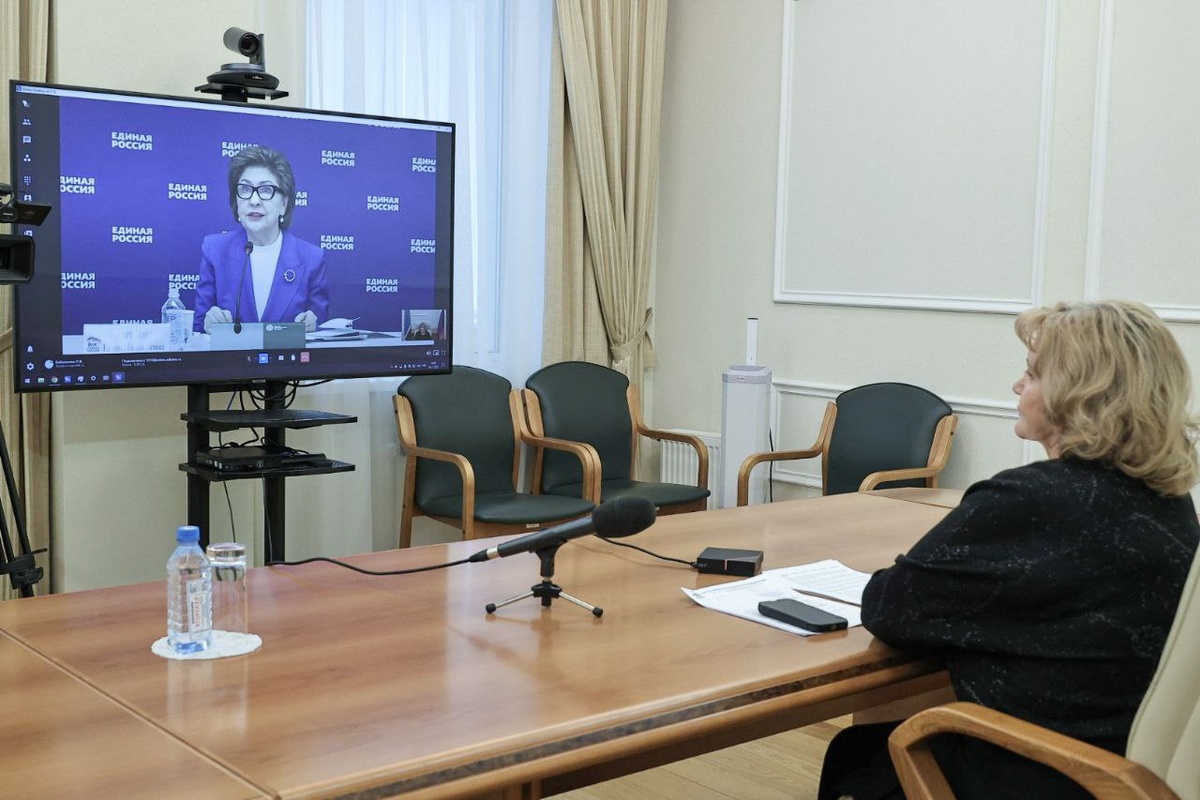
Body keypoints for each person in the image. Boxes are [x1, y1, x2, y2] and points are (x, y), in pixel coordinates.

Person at [818, 300, 1200, 800]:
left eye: (1032, 374)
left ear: (1078, 395)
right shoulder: (1169, 500)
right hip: (1126, 774)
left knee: (859, 754)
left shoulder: (1030, 498)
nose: (1017, 386)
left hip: (1041, 771)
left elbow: (888, 608)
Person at [194, 145, 329, 334]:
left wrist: (314, 325)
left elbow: (322, 329)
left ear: (284, 203)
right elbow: (198, 327)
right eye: (245, 189)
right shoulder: (214, 250)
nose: (254, 200)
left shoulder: (311, 258)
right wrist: (208, 322)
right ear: (236, 201)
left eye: (266, 190)